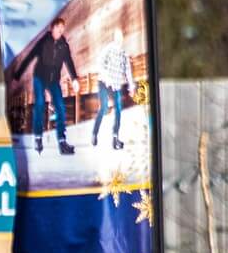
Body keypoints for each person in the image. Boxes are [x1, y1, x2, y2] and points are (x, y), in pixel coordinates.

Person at [9, 17, 79, 156]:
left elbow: (69, 62)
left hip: (54, 81)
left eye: (62, 30)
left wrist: (74, 79)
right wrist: (17, 76)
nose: (60, 32)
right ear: (52, 28)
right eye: (58, 29)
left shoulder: (63, 46)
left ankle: (62, 141)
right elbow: (30, 57)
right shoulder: (43, 42)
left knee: (60, 107)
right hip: (40, 77)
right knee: (40, 103)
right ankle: (38, 138)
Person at [93, 27, 134, 150]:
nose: (119, 39)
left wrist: (131, 86)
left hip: (115, 85)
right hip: (104, 83)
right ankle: (95, 133)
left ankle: (115, 138)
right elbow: (100, 63)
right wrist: (107, 78)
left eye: (121, 37)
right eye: (117, 37)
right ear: (114, 38)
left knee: (118, 110)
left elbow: (128, 71)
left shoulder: (123, 54)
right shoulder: (108, 49)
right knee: (104, 107)